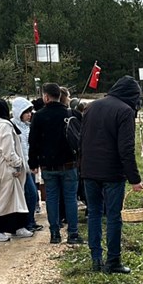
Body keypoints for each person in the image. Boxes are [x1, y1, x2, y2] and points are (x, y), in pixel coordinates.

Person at [80, 75, 143, 274]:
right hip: (112, 173)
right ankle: (113, 261)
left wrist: (82, 167)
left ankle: (96, 259)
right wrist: (134, 179)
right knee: (114, 217)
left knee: (94, 213)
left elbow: (81, 140)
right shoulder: (125, 111)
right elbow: (126, 149)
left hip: (89, 170)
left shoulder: (91, 107)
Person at [28, 83, 82, 245]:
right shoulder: (70, 113)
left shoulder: (38, 116)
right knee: (71, 198)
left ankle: (55, 234)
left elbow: (33, 142)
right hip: (69, 163)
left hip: (47, 164)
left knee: (51, 198)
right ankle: (73, 234)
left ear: (46, 97)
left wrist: (33, 162)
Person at [0, 98, 33, 242]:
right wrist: (18, 163)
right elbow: (8, 151)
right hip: (9, 168)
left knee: (17, 199)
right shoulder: (5, 125)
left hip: (4, 167)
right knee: (5, 199)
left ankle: (18, 227)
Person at [10, 97, 43, 234]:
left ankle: (30, 221)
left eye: (30, 111)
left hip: (28, 166)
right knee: (30, 194)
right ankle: (25, 223)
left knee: (32, 195)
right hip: (19, 167)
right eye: (26, 112)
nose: (29, 114)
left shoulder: (27, 126)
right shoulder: (12, 126)